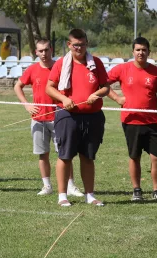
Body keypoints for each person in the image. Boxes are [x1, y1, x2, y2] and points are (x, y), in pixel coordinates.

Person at [46, 29, 110, 207]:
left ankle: (90, 195)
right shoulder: (61, 63)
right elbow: (49, 88)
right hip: (67, 116)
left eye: (82, 45)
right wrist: (64, 99)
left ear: (86, 44)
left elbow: (106, 87)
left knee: (88, 157)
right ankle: (62, 196)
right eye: (75, 45)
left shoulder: (95, 63)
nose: (79, 48)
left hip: (93, 117)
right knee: (65, 156)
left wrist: (96, 94)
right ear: (69, 45)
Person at [14, 38, 83, 197]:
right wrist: (26, 105)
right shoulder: (32, 69)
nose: (43, 53)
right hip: (38, 119)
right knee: (42, 153)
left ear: (51, 49)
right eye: (40, 51)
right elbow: (18, 86)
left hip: (60, 117)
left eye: (46, 50)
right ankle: (47, 186)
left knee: (65, 154)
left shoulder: (61, 67)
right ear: (36, 52)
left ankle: (70, 186)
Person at [107, 37, 157, 201]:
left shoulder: (156, 72)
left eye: (144, 50)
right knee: (134, 156)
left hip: (153, 122)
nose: (141, 52)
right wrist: (117, 98)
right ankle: (137, 190)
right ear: (133, 52)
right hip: (131, 121)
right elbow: (103, 84)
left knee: (156, 157)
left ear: (149, 52)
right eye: (138, 49)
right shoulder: (122, 69)